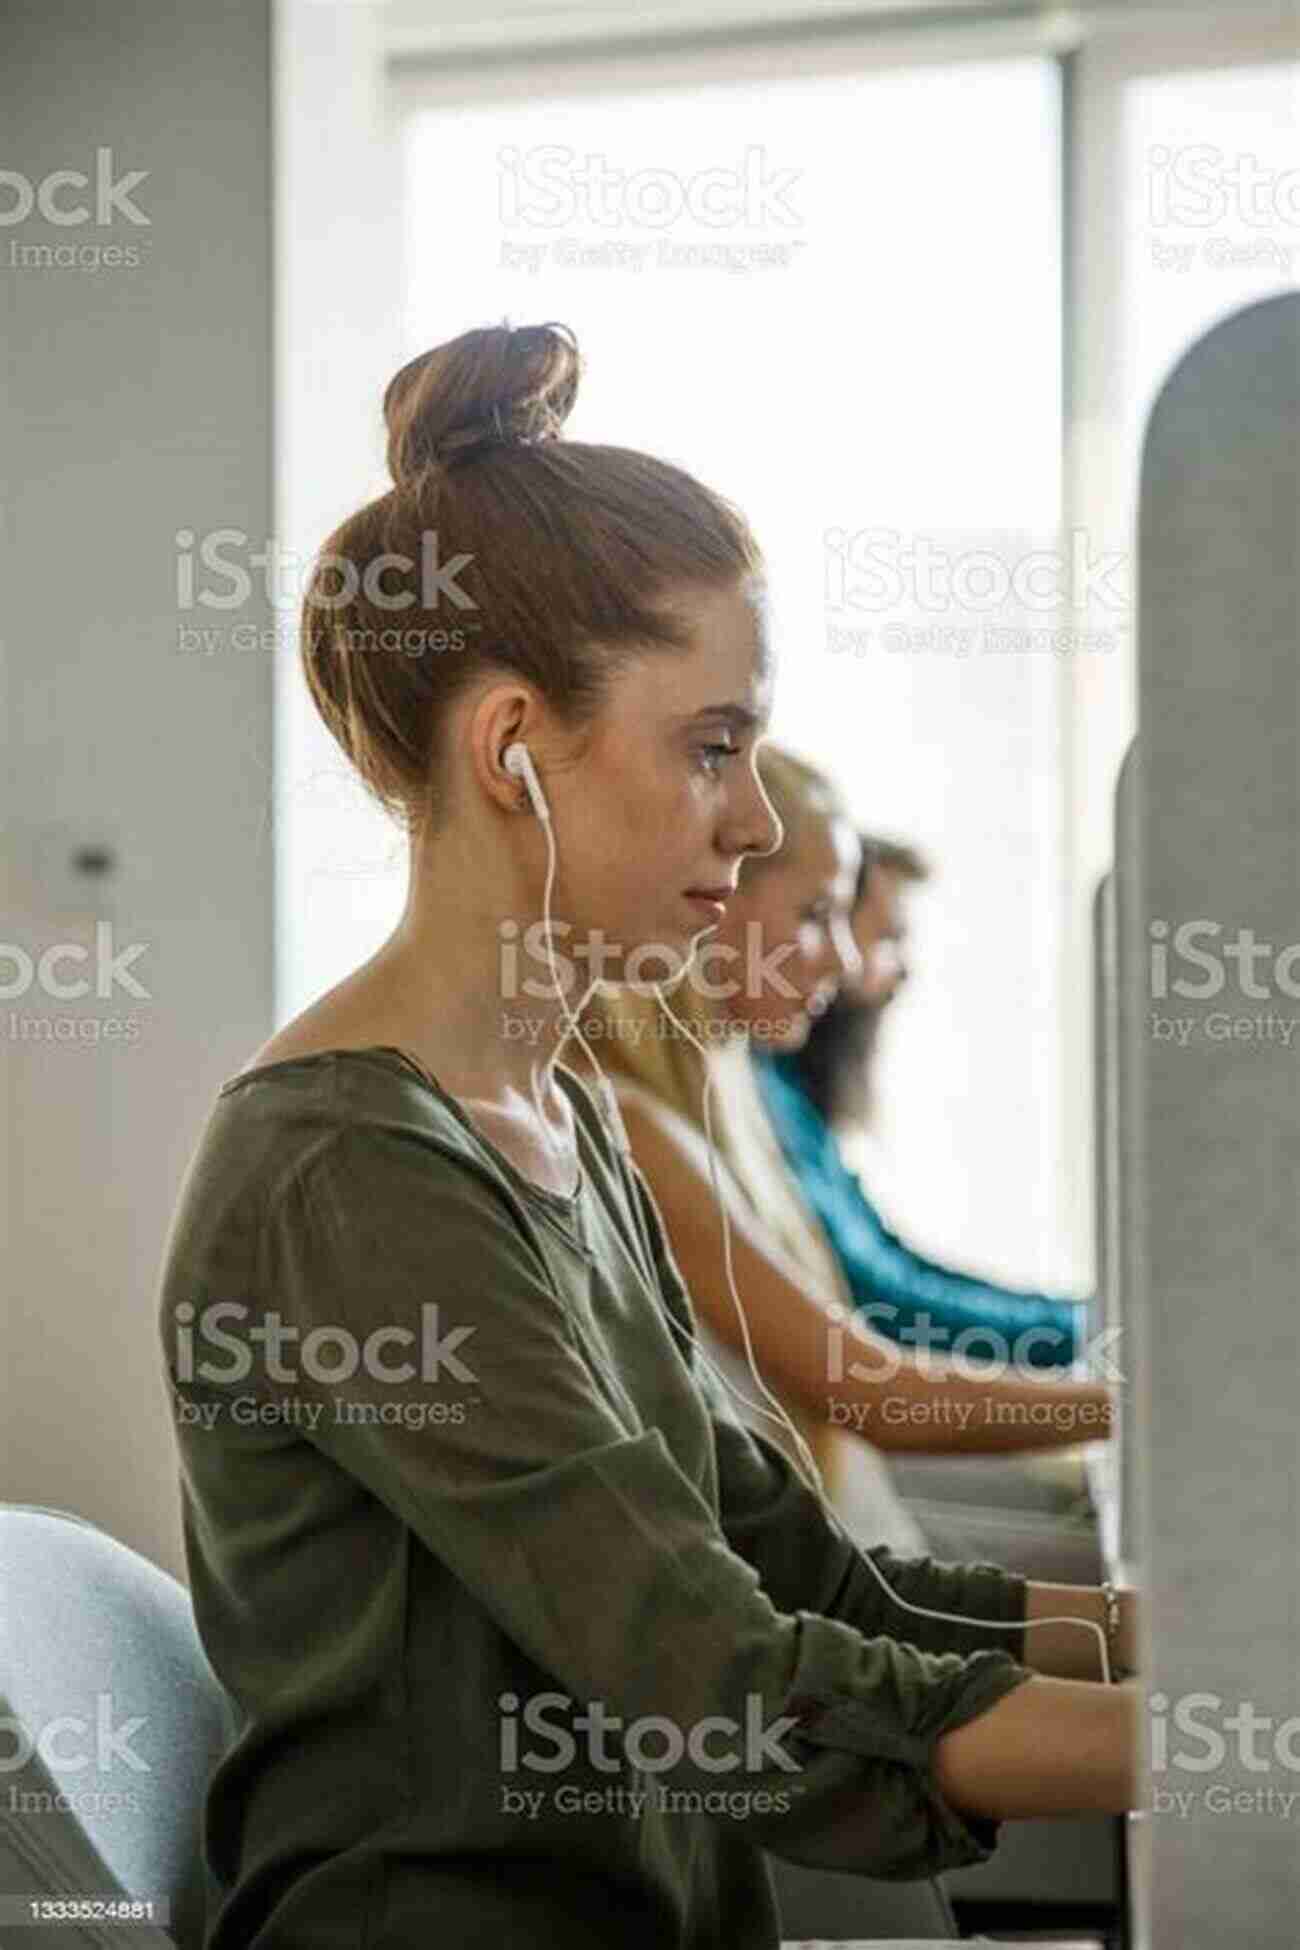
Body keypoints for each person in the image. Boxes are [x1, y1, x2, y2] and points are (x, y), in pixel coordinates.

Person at [156, 322, 1137, 1950]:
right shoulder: (346, 1171)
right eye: (711, 748)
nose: (753, 823)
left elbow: (806, 1585)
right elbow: (727, 1681)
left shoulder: (566, 1126)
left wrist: (1201, 1643)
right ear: (516, 756)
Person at [583, 746, 1113, 1513]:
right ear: (713, 904)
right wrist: (1135, 1404)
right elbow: (870, 1391)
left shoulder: (731, 1106)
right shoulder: (639, 1132)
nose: (843, 956)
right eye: (814, 915)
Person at [755, 831, 1092, 1372]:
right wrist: (1090, 1332)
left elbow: (897, 1267)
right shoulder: (763, 1094)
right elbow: (883, 1299)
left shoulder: (790, 1093)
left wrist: (1084, 1320)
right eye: (887, 939)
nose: (902, 969)